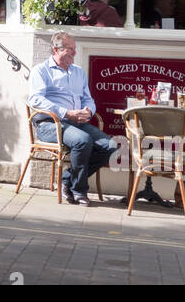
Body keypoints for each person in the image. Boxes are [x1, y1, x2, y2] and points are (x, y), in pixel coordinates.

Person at [28, 32, 118, 205]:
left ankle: (67, 180)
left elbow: (88, 98)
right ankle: (78, 190)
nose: (74, 53)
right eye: (70, 49)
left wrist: (88, 111)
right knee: (82, 141)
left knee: (111, 146)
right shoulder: (41, 71)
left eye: (75, 49)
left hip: (76, 122)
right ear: (56, 49)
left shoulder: (78, 72)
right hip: (50, 124)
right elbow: (36, 99)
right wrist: (65, 112)